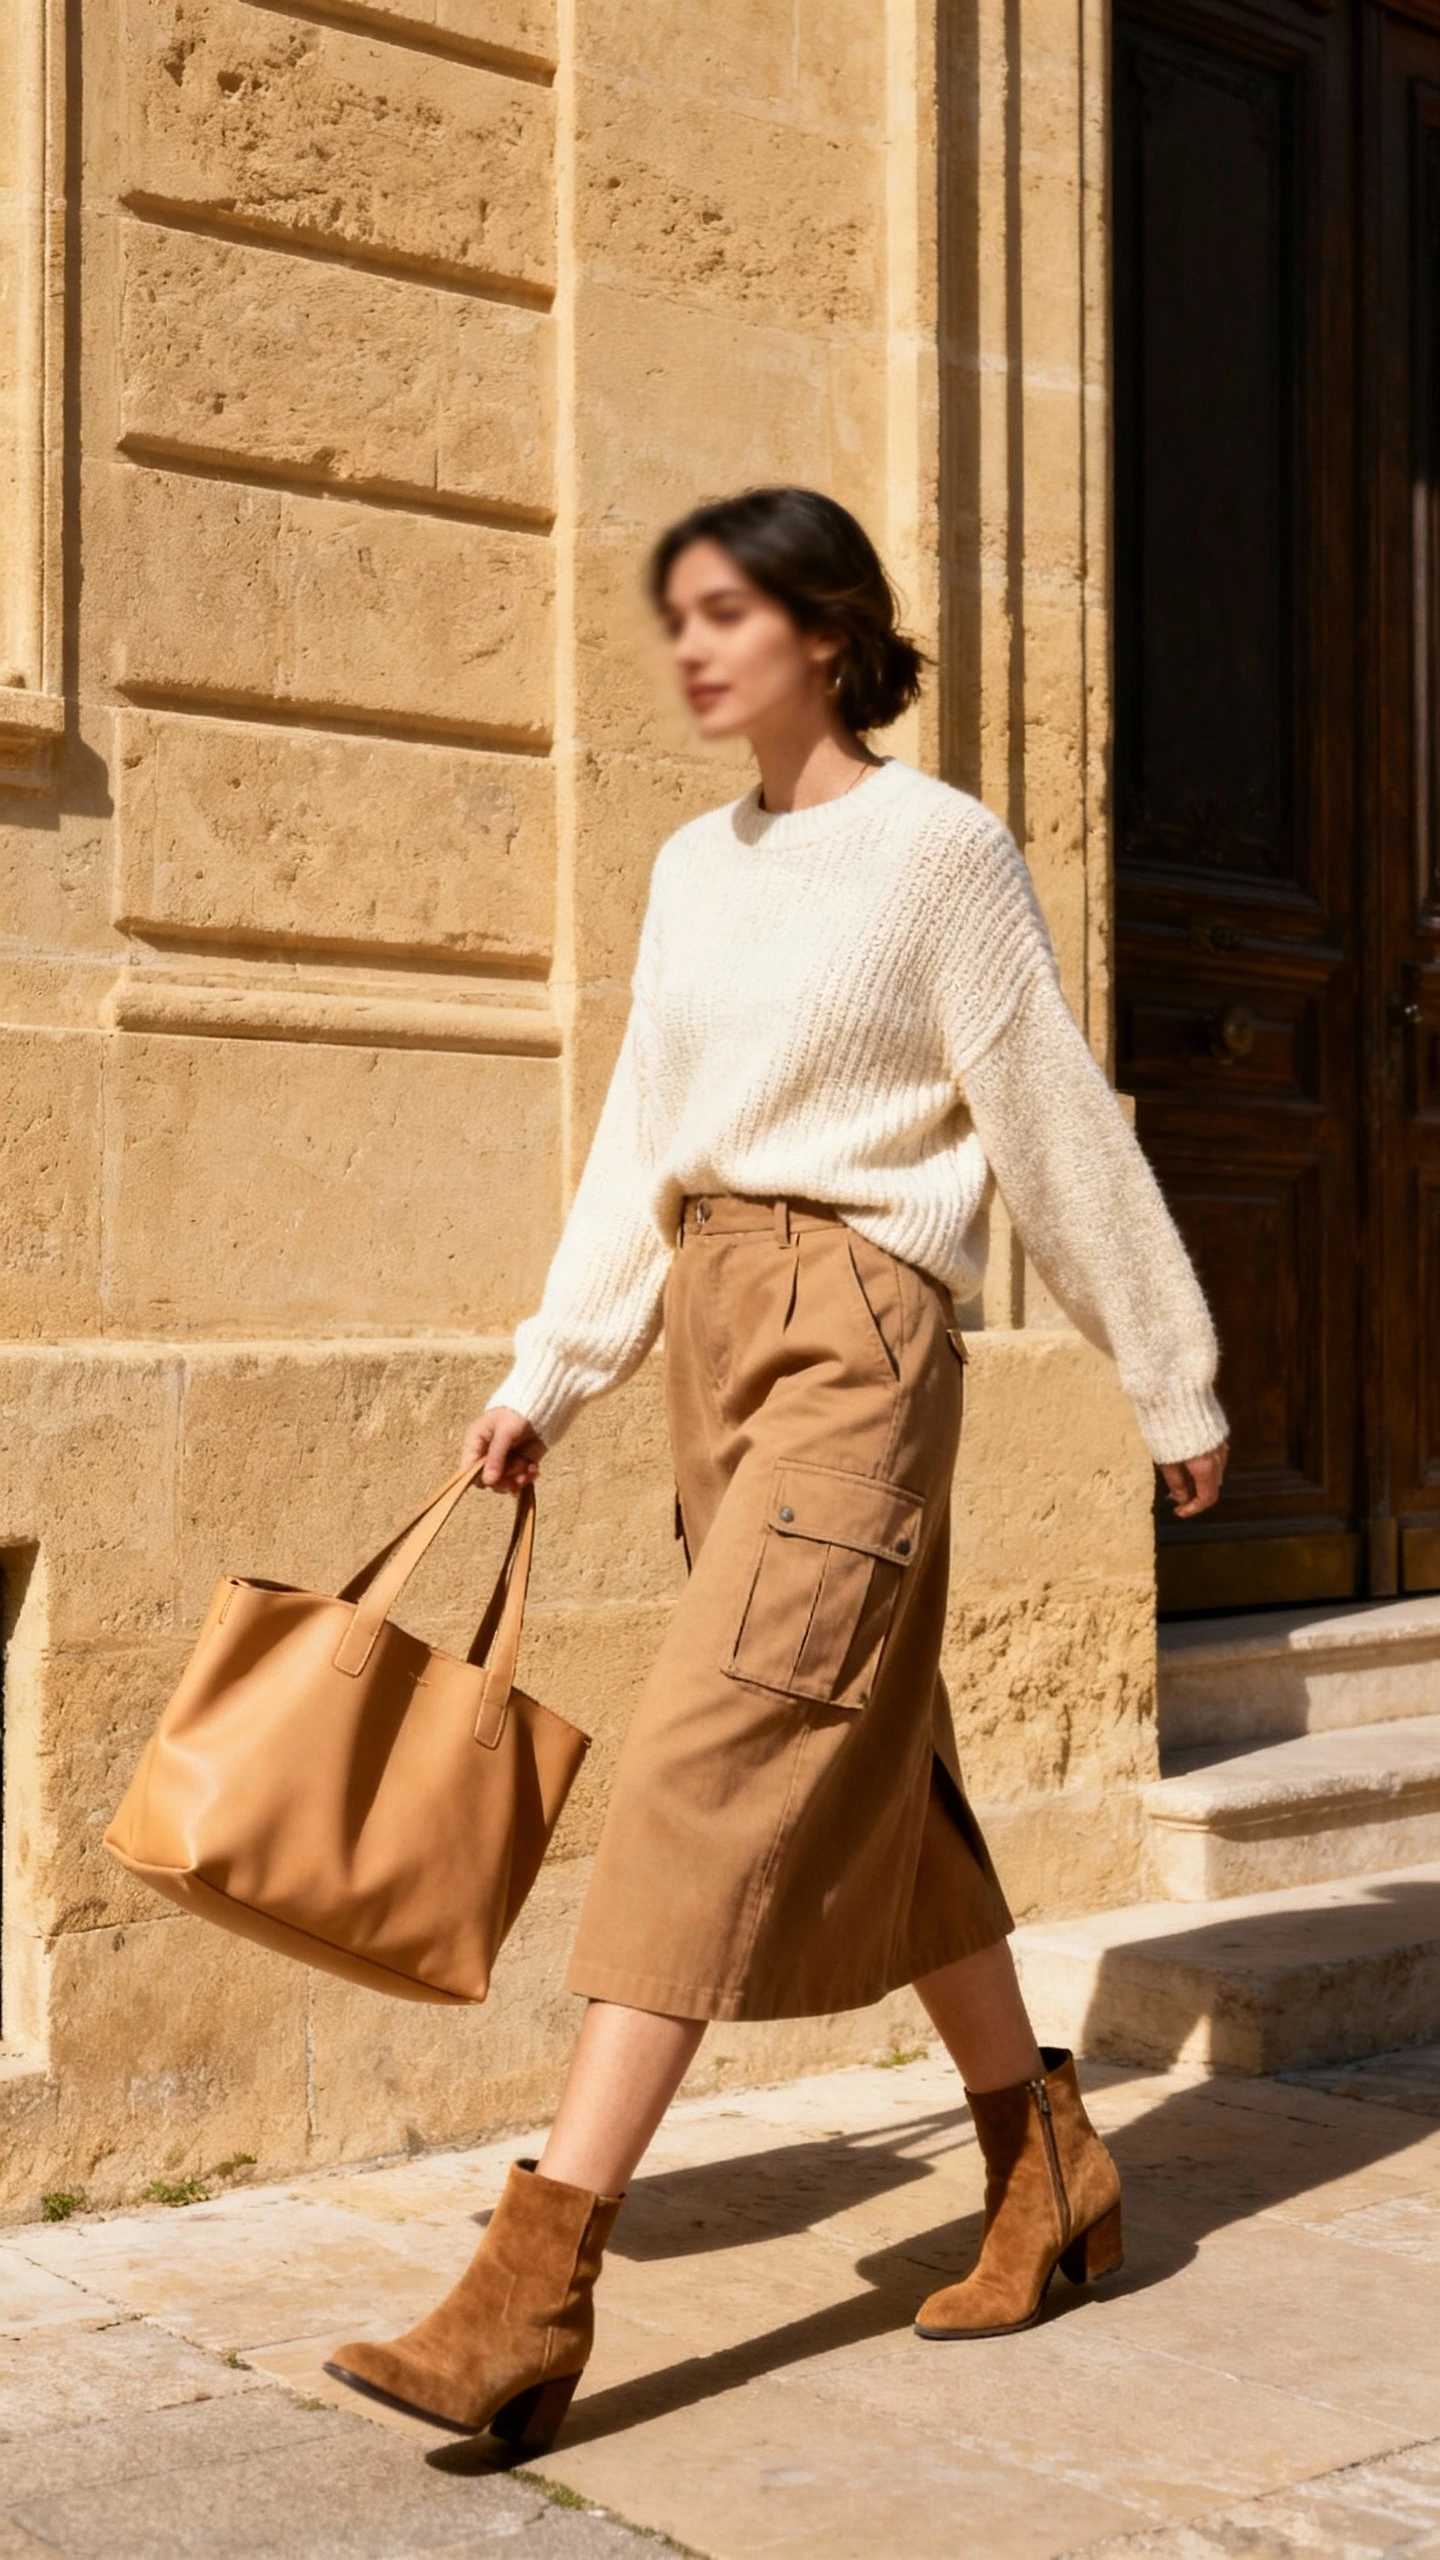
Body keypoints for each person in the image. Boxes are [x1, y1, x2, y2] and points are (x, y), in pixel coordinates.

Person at [326, 486, 1228, 2448]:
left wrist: (1168, 1372)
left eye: (727, 607)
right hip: (715, 1342)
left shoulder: (942, 851)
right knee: (873, 1771)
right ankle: (1046, 2154)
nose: (691, 645)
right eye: (679, 614)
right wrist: (548, 1372)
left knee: (706, 1762)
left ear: (827, 627)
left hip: (857, 1336)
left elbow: (1053, 1125)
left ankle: (532, 2277)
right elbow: (642, 1133)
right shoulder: (689, 868)